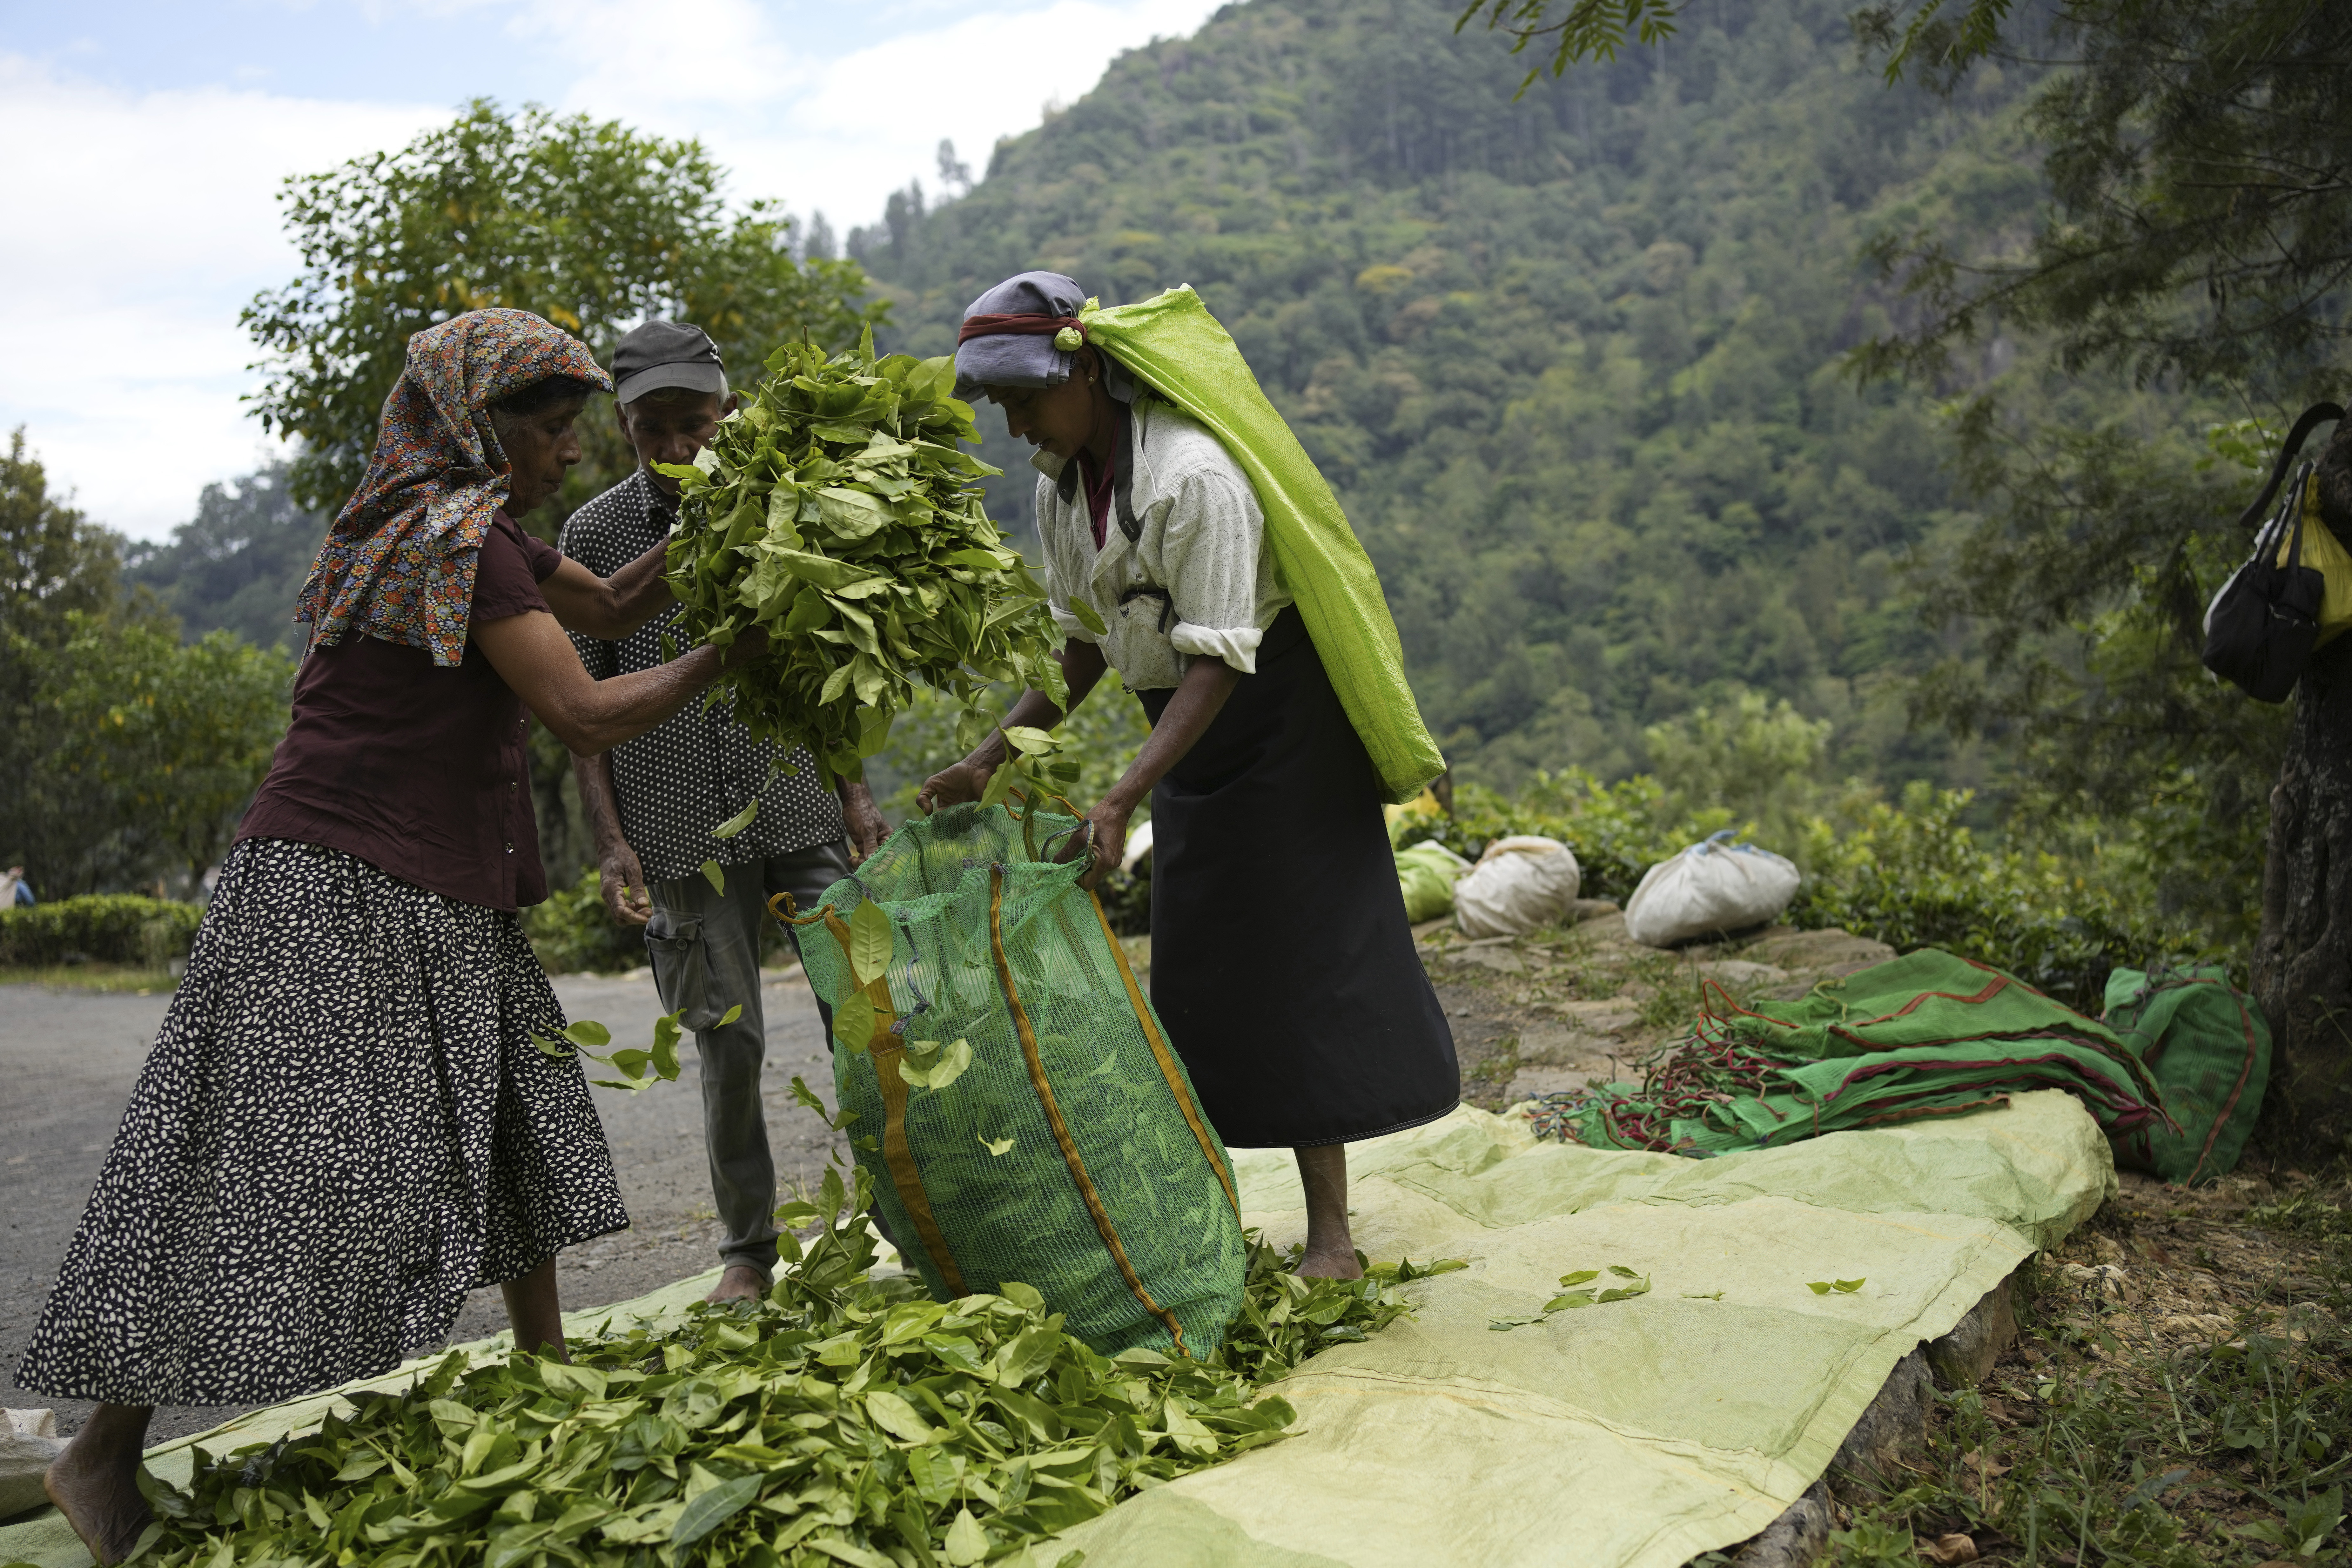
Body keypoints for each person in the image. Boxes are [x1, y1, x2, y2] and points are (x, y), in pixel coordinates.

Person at [17, 308, 760, 1565]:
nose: (570, 453)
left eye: (577, 427)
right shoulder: (447, 539)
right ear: (474, 426)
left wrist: (740, 510)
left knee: (518, 1106)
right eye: (545, 426)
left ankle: (547, 1384)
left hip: (442, 874)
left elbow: (624, 599)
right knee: (269, 1162)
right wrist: (736, 650)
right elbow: (584, 708)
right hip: (334, 881)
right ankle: (97, 1451)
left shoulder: (484, 534)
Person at [917, 272, 1459, 1279]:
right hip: (1185, 733)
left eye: (1024, 397)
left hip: (1281, 724)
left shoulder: (1192, 476)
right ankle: (1209, 1211)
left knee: (1303, 970)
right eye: (1002, 404)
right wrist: (990, 755)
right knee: (1207, 975)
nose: (1015, 422)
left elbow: (1218, 656)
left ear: (1083, 371)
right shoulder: (1059, 488)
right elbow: (1084, 644)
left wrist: (1123, 792)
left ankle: (1333, 1235)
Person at [562, 320, 889, 1305]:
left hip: (796, 801)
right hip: (675, 829)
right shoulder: (593, 539)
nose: (676, 448)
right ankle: (747, 1252)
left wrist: (858, 792)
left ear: (729, 413)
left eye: (693, 425)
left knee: (867, 1007)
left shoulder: (785, 500)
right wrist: (612, 842)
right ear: (622, 423)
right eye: (651, 427)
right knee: (727, 1037)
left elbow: (824, 665)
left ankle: (906, 1208)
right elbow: (581, 714)